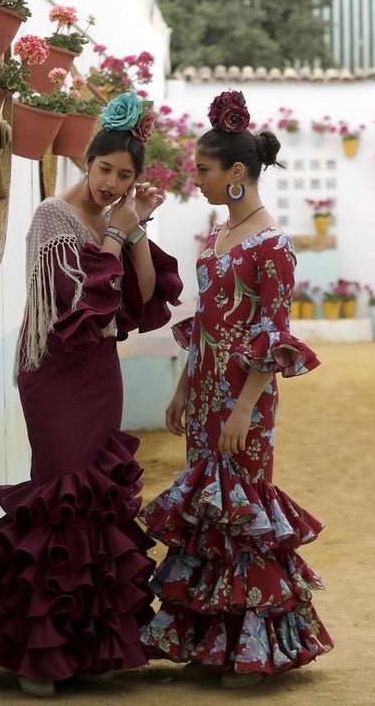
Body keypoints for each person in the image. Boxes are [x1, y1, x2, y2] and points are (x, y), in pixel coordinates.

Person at [0, 90, 183, 698]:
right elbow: (76, 308)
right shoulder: (51, 217)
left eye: (126, 175)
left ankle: (91, 649)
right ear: (87, 163)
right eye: (106, 169)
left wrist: (133, 230)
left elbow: (140, 298)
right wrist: (113, 234)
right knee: (62, 493)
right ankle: (39, 655)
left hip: (100, 374)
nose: (113, 182)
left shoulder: (117, 217)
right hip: (55, 373)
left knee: (98, 500)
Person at [140, 90, 333, 689]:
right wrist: (179, 391)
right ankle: (209, 641)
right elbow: (205, 326)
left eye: (204, 170)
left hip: (244, 400)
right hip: (202, 395)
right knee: (207, 510)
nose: (195, 179)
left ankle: (253, 649)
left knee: (242, 509)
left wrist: (244, 407)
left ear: (238, 173)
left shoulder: (272, 245)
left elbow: (273, 336)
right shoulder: (221, 235)